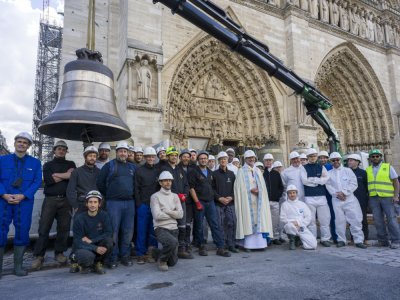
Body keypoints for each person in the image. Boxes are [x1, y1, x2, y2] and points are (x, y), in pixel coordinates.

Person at [0, 132, 42, 277]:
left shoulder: (35, 163)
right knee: (0, 231)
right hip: (3, 201)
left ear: (28, 146)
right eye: (19, 141)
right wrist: (4, 194)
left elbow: (37, 181)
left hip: (24, 202)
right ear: (15, 143)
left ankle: (18, 267)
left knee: (23, 231)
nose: (22, 144)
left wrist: (24, 195)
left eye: (25, 142)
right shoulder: (2, 160)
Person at [32, 140, 76, 270]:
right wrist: (66, 175)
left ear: (66, 151)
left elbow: (72, 177)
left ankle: (59, 253)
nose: (61, 150)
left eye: (63, 149)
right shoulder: (47, 165)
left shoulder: (71, 163)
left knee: (64, 228)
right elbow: (49, 181)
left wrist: (57, 175)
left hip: (66, 200)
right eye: (59, 148)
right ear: (54, 151)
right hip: (50, 200)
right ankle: (39, 256)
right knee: (44, 228)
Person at [97, 141, 136, 268]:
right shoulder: (109, 166)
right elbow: (100, 183)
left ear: (127, 153)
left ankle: (125, 256)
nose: (123, 153)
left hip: (130, 203)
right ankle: (112, 257)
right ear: (117, 152)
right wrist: (110, 194)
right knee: (113, 231)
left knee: (127, 231)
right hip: (114, 203)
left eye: (125, 151)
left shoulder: (132, 167)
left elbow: (136, 184)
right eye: (120, 151)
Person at [188, 151, 231, 257]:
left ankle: (220, 247)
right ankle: (201, 246)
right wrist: (197, 202)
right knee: (199, 225)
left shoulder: (210, 172)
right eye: (201, 158)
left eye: (205, 158)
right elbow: (191, 188)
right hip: (200, 202)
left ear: (207, 160)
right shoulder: (194, 172)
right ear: (198, 160)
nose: (203, 160)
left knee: (214, 224)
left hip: (210, 201)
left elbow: (213, 188)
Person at [325, 152, 367, 249]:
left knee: (355, 219)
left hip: (349, 199)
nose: (336, 161)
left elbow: (353, 183)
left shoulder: (348, 171)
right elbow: (328, 186)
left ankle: (358, 240)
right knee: (339, 221)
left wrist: (344, 193)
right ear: (331, 162)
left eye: (337, 160)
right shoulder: (329, 173)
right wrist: (337, 194)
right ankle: (341, 240)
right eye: (333, 160)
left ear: (340, 160)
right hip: (336, 200)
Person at [234, 150, 273, 251]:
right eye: (249, 158)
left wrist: (259, 191)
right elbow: (238, 188)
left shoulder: (258, 171)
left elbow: (263, 188)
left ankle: (261, 244)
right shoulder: (241, 171)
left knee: (259, 221)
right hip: (247, 201)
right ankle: (248, 245)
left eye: (253, 158)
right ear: (245, 159)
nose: (251, 159)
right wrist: (249, 190)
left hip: (258, 199)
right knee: (248, 220)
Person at [159, 147, 192, 258]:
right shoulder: (164, 169)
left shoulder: (180, 169)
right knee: (170, 226)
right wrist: (176, 195)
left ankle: (181, 249)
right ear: (168, 156)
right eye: (171, 155)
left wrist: (185, 194)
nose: (174, 157)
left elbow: (186, 184)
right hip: (168, 202)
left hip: (181, 201)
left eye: (175, 155)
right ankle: (170, 250)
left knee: (182, 225)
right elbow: (164, 185)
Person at [70, 190, 113, 274]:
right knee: (87, 257)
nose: (92, 205)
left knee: (109, 242)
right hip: (84, 247)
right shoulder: (79, 219)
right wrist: (95, 248)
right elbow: (77, 241)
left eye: (95, 202)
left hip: (96, 243)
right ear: (86, 203)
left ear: (99, 204)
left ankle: (98, 263)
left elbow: (109, 233)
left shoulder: (104, 215)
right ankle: (76, 261)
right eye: (90, 202)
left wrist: (92, 241)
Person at [366, 149, 400, 249]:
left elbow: (396, 182)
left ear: (381, 157)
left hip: (387, 197)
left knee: (391, 219)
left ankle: (396, 240)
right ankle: (382, 241)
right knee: (378, 220)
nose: (375, 158)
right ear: (370, 158)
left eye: (377, 156)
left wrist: (396, 196)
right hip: (374, 198)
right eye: (373, 156)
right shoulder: (368, 170)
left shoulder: (388, 167)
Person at [150, 171, 183, 271]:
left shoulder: (175, 196)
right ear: (160, 183)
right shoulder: (155, 196)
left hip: (174, 228)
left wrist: (167, 211)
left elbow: (181, 215)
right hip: (161, 228)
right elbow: (157, 216)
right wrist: (173, 213)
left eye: (169, 180)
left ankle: (155, 252)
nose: (168, 182)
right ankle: (162, 260)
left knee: (173, 262)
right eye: (165, 181)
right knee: (172, 243)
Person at [300, 148, 332, 247]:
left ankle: (325, 239)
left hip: (321, 196)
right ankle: (312, 239)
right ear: (308, 157)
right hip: (309, 197)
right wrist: (318, 180)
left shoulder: (321, 167)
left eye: (314, 156)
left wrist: (313, 180)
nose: (313, 158)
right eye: (311, 156)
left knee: (325, 219)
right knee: (311, 220)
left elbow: (325, 179)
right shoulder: (303, 168)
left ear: (316, 157)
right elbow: (304, 181)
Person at [135, 147, 159, 264]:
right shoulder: (139, 170)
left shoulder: (157, 170)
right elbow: (136, 188)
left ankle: (151, 252)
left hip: (155, 205)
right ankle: (140, 253)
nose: (150, 158)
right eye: (148, 156)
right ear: (145, 158)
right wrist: (139, 204)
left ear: (155, 158)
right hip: (143, 205)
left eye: (152, 156)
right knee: (141, 230)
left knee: (153, 230)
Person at [212, 151, 238, 253]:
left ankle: (231, 243)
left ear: (228, 160)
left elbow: (235, 188)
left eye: (225, 159)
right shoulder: (214, 174)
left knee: (232, 222)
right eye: (221, 159)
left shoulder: (231, 174)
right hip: (218, 203)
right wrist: (219, 198)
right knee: (220, 224)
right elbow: (212, 189)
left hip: (230, 203)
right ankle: (221, 244)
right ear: (218, 161)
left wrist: (231, 197)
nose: (223, 161)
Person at [280, 185, 317, 250]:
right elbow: (282, 218)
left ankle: (299, 240)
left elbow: (308, 216)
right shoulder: (284, 204)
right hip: (290, 226)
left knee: (313, 245)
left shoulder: (302, 204)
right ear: (287, 194)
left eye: (293, 192)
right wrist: (292, 222)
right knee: (289, 226)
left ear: (296, 193)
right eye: (290, 193)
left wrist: (299, 224)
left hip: (301, 226)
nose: (292, 195)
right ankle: (292, 241)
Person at [67, 146, 100, 214]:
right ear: (85, 157)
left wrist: (101, 204)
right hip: (81, 205)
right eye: (90, 156)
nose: (92, 158)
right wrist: (75, 206)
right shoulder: (77, 172)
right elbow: (70, 190)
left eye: (94, 156)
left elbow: (103, 189)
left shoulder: (100, 172)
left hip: (96, 205)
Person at [347, 154, 369, 242]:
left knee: (363, 218)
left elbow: (366, 186)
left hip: (361, 198)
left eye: (351, 160)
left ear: (357, 162)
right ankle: (353, 238)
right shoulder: (346, 172)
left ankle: (365, 238)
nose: (349, 162)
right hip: (349, 198)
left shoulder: (363, 173)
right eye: (348, 160)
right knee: (351, 218)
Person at [263, 153, 284, 245]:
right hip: (265, 201)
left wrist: (278, 195)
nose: (268, 162)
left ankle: (275, 237)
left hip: (275, 200)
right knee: (266, 220)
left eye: (270, 160)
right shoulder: (261, 173)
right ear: (264, 162)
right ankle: (268, 238)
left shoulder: (276, 173)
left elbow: (281, 187)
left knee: (275, 220)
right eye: (266, 160)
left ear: (272, 161)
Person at [318, 150, 337, 243]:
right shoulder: (317, 167)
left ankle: (335, 237)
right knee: (323, 218)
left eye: (324, 158)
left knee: (333, 216)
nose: (323, 159)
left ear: (327, 159)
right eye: (321, 158)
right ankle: (324, 238)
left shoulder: (331, 167)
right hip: (320, 194)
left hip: (330, 194)